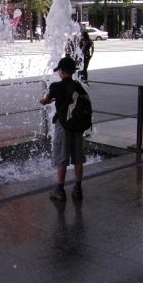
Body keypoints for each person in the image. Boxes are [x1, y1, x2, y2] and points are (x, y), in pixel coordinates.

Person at [39, 56, 87, 201]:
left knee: (62, 157)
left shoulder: (55, 86)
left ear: (61, 71)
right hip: (77, 125)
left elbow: (46, 100)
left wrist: (46, 100)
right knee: (78, 158)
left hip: (63, 126)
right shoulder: (78, 86)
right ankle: (77, 188)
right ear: (72, 71)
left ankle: (60, 190)